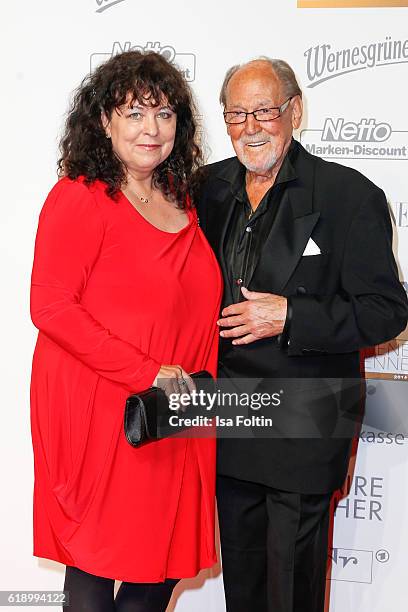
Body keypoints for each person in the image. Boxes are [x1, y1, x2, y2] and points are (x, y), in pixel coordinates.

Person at [196, 58, 408, 612]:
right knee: (242, 588)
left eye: (263, 110)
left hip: (307, 423)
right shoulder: (206, 188)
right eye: (236, 113)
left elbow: (387, 311)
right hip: (231, 418)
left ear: (293, 111)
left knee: (292, 593)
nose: (250, 126)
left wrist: (291, 315)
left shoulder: (347, 196)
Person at [29, 50, 222, 612]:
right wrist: (146, 372)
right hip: (103, 407)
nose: (151, 129)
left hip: (177, 408)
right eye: (134, 113)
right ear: (104, 122)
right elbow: (51, 307)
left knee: (158, 567)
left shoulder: (183, 198)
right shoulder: (80, 196)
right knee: (94, 564)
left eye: (164, 114)